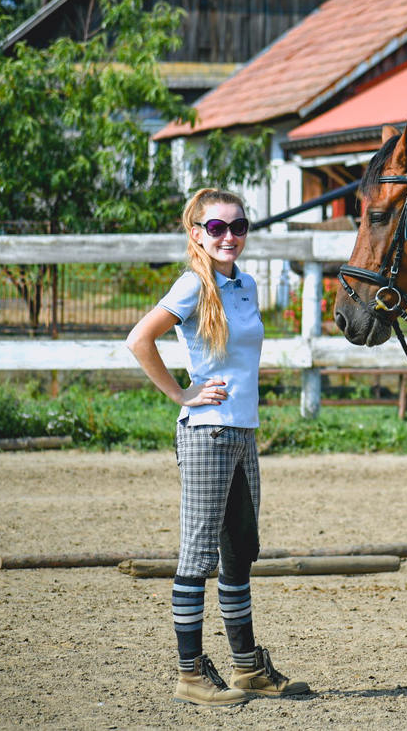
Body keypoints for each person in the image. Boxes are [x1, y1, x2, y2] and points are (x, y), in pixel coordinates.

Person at [126, 188, 306, 705]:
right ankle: (190, 674)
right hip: (207, 433)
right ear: (196, 234)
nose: (229, 236)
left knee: (239, 551)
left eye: (239, 226)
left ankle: (247, 667)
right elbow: (140, 339)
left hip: (243, 433)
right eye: (217, 228)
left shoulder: (244, 283)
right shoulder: (191, 286)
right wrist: (182, 393)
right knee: (198, 553)